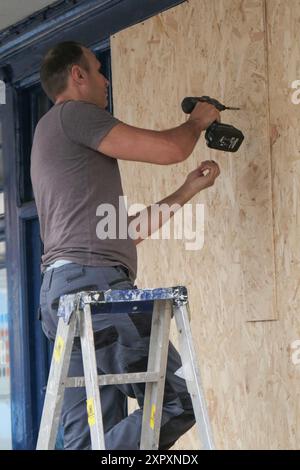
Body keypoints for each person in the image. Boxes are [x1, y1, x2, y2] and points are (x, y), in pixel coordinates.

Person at [30, 41, 220, 450]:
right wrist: (197, 122)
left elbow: (122, 230)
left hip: (67, 295)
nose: (106, 79)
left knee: (86, 438)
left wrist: (187, 189)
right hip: (95, 296)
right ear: (77, 76)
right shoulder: (73, 116)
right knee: (179, 399)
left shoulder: (51, 133)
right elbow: (171, 149)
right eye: (98, 70)